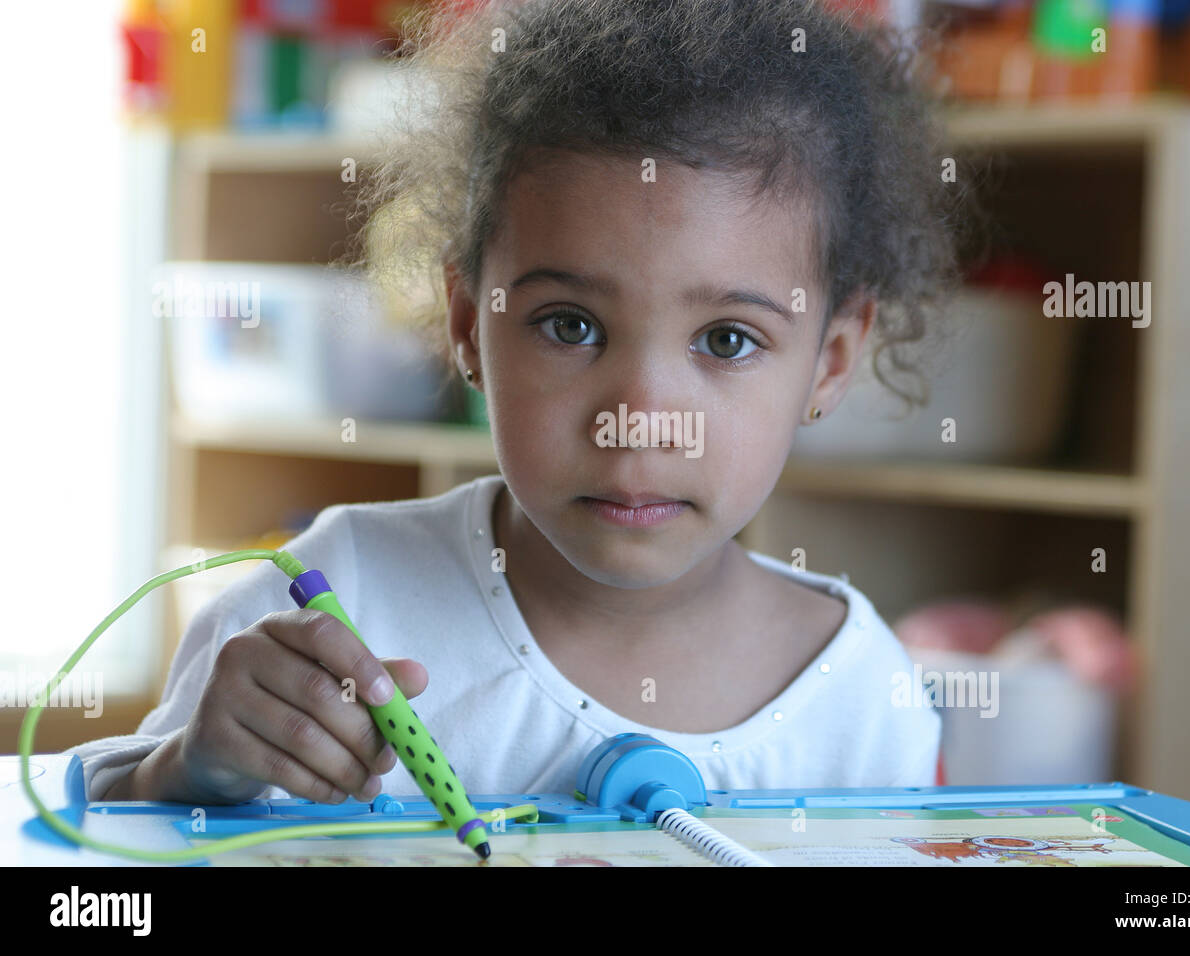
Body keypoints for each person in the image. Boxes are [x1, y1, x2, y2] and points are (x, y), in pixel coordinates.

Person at [72, 0, 972, 806]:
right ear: (469, 323)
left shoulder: (864, 696)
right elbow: (116, 833)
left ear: (831, 360)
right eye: (570, 326)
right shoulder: (324, 610)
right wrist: (193, 770)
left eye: (727, 340)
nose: (639, 419)